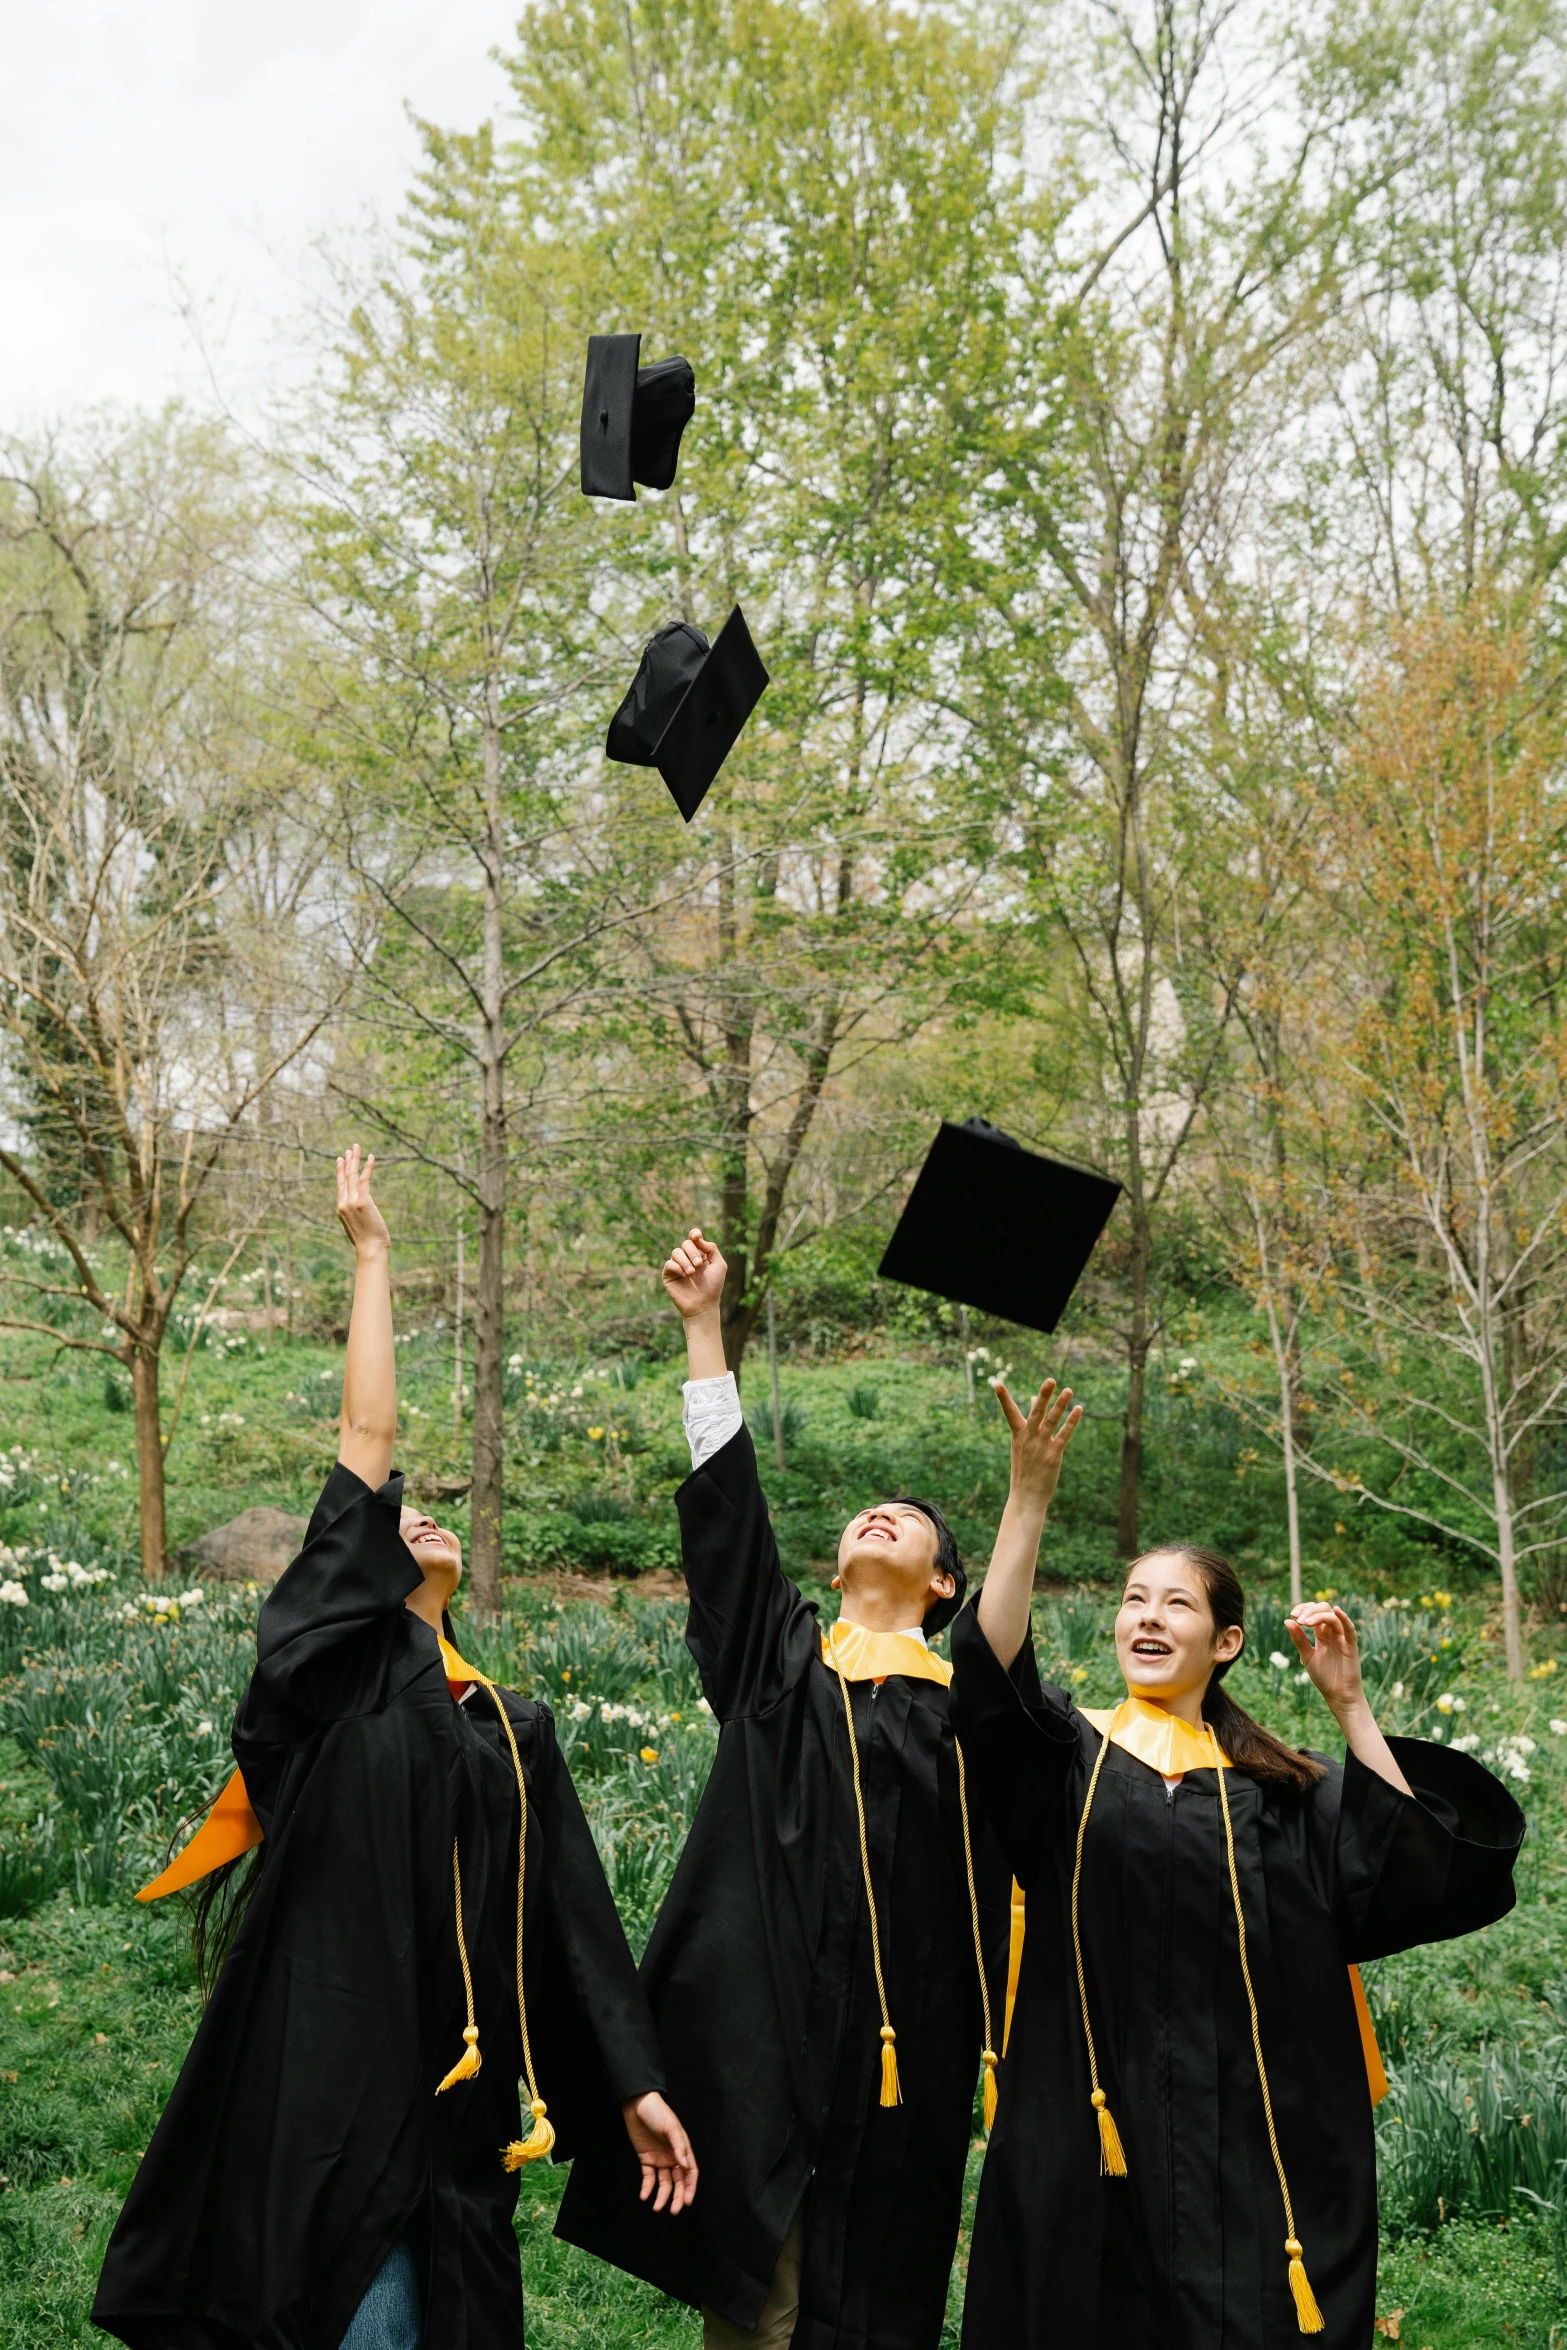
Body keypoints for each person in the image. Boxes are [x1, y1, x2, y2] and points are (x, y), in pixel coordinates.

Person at [93, 1148, 697, 2350]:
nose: (419, 1515)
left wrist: (632, 2084)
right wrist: (372, 1256)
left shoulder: (510, 1723)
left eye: (440, 1517)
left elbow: (573, 1923)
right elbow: (366, 1439)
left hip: (459, 2107)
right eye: (395, 1517)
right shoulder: (327, 1683)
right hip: (324, 2079)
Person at [950, 1375, 1526, 2350]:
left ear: (1223, 1641)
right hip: (1093, 2136)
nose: (1146, 1614)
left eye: (1174, 1602)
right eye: (1134, 1597)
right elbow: (992, 1684)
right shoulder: (1072, 1766)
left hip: (1244, 2153)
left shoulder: (1277, 1792)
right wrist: (1029, 1498)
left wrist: (1348, 1704)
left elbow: (1397, 1871)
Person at [556, 1228, 1012, 2350]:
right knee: (759, 2309)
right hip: (764, 2040)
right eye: (864, 1512)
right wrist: (704, 1328)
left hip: (903, 2058)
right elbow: (729, 1538)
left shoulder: (966, 1716)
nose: (877, 1514)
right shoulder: (781, 1674)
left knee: (874, 2305)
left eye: (907, 1521)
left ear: (944, 1581)